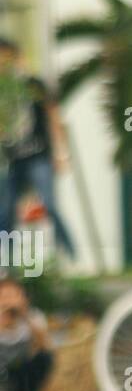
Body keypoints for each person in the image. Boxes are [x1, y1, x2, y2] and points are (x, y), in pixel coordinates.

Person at [0, 39, 75, 260]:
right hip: (12, 159)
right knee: (5, 212)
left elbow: (53, 117)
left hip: (38, 156)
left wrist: (61, 153)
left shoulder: (33, 84)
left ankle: (71, 255)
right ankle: (9, 262)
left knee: (49, 205)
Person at [0, 275, 54, 391]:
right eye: (5, 296)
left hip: (20, 368)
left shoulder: (33, 316)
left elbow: (46, 347)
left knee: (44, 358)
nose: (9, 300)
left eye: (14, 295)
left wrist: (25, 316)